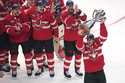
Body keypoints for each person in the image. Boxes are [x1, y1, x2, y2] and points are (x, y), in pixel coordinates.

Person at [26, 0, 58, 77]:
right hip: (37, 39)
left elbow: (55, 25)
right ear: (35, 7)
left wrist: (56, 36)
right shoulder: (31, 11)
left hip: (48, 38)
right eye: (39, 6)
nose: (40, 8)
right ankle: (40, 68)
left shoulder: (48, 14)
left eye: (42, 6)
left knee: (50, 54)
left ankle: (51, 69)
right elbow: (23, 15)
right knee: (38, 54)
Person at [3, 3, 33, 77]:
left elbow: (28, 26)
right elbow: (7, 29)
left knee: (27, 54)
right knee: (13, 55)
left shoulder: (24, 15)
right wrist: (15, 30)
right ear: (12, 10)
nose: (17, 11)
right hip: (13, 40)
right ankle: (14, 70)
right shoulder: (7, 18)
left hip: (24, 39)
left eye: (18, 10)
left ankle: (29, 69)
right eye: (15, 10)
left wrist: (22, 27)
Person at [76, 18, 107, 83]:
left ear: (94, 39)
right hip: (89, 75)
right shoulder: (85, 47)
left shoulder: (97, 43)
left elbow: (104, 36)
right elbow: (79, 46)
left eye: (91, 39)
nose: (89, 41)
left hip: (100, 72)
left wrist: (102, 23)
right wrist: (80, 35)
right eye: (88, 40)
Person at [61, 0, 87, 79]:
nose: (70, 7)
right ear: (66, 6)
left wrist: (79, 11)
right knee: (69, 56)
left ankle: (77, 69)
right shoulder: (64, 13)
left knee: (79, 55)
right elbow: (68, 22)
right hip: (68, 39)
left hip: (78, 38)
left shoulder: (76, 12)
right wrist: (75, 14)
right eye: (69, 6)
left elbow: (84, 18)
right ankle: (66, 70)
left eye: (71, 5)